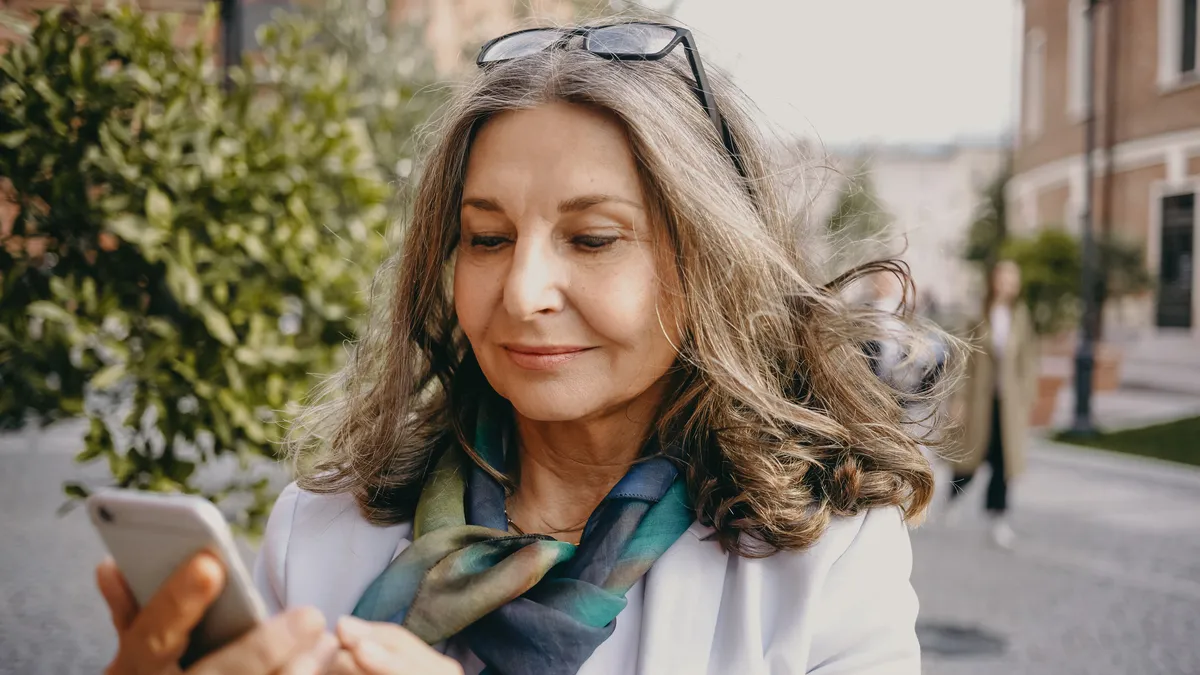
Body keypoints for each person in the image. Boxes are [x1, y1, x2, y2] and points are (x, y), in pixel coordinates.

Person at [94, 20, 959, 675]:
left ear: (709, 268)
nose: (521, 292)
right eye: (487, 237)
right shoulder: (320, 528)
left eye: (591, 239)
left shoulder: (827, 552)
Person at [946, 260, 1037, 548]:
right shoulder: (977, 314)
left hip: (1008, 404)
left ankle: (997, 518)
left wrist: (1026, 397)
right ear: (993, 280)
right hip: (978, 400)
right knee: (971, 456)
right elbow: (962, 359)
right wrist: (958, 398)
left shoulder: (1020, 315)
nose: (1007, 283)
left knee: (1003, 461)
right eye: (1002, 277)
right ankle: (953, 498)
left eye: (1012, 278)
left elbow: (1029, 359)